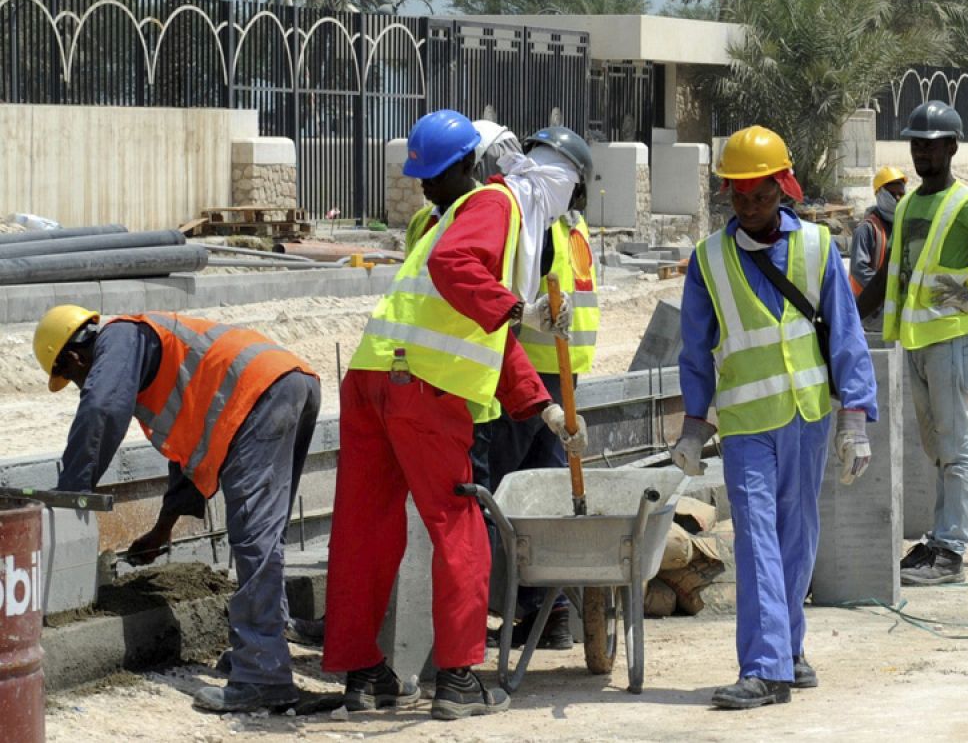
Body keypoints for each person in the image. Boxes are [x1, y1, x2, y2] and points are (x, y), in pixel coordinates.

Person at [323, 109, 584, 721]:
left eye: (430, 177)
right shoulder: (492, 206)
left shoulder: (439, 224)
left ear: (462, 165)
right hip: (423, 394)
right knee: (459, 526)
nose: (426, 189)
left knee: (365, 531)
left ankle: (364, 676)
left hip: (370, 381)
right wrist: (519, 310)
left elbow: (477, 329)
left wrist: (539, 405)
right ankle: (458, 679)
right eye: (425, 179)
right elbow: (465, 284)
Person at [671, 125, 878, 710]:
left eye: (759, 196)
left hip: (806, 416)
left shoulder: (815, 248)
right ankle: (765, 668)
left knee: (797, 536)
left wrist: (855, 420)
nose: (748, 206)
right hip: (744, 425)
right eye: (737, 196)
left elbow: (846, 335)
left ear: (782, 189)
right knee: (759, 538)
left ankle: (788, 650)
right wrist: (693, 425)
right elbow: (694, 350)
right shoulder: (709, 261)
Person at [35, 305, 319, 712]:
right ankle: (264, 649)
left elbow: (100, 408)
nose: (84, 384)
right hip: (288, 382)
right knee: (264, 538)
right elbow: (188, 450)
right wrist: (162, 529)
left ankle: (262, 674)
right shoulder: (158, 355)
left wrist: (71, 491)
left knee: (255, 540)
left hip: (260, 394)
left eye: (75, 378)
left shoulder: (120, 337)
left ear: (75, 358)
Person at [855, 100, 968, 585]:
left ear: (952, 147)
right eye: (916, 144)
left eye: (932, 145)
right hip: (917, 341)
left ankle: (953, 549)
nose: (922, 153)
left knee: (957, 447)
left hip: (955, 342)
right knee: (937, 446)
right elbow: (888, 275)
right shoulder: (912, 204)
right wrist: (848, 319)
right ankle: (939, 539)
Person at [466, 124, 597, 652]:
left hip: (526, 376)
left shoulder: (539, 224)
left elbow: (512, 300)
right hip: (565, 376)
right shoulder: (576, 225)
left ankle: (501, 603)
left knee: (504, 493)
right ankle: (553, 612)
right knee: (544, 492)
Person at [850, 166, 908, 329]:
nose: (898, 198)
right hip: (871, 310)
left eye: (901, 194)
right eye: (893, 194)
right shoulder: (866, 229)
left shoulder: (901, 225)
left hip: (891, 305)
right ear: (880, 195)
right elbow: (859, 269)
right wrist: (887, 289)